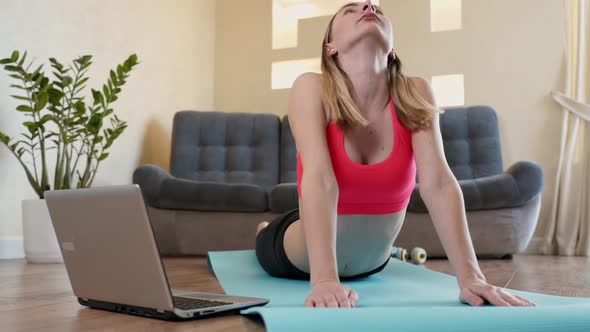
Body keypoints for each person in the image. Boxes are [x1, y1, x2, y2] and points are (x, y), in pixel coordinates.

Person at [255, 0, 536, 309]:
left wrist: (472, 277)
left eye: (376, 8)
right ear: (330, 47)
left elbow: (439, 183)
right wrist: (324, 281)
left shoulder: (414, 93)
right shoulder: (311, 87)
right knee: (268, 235)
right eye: (350, 9)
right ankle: (265, 230)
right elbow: (319, 178)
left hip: (373, 264)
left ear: (391, 49)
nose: (367, 5)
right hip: (296, 257)